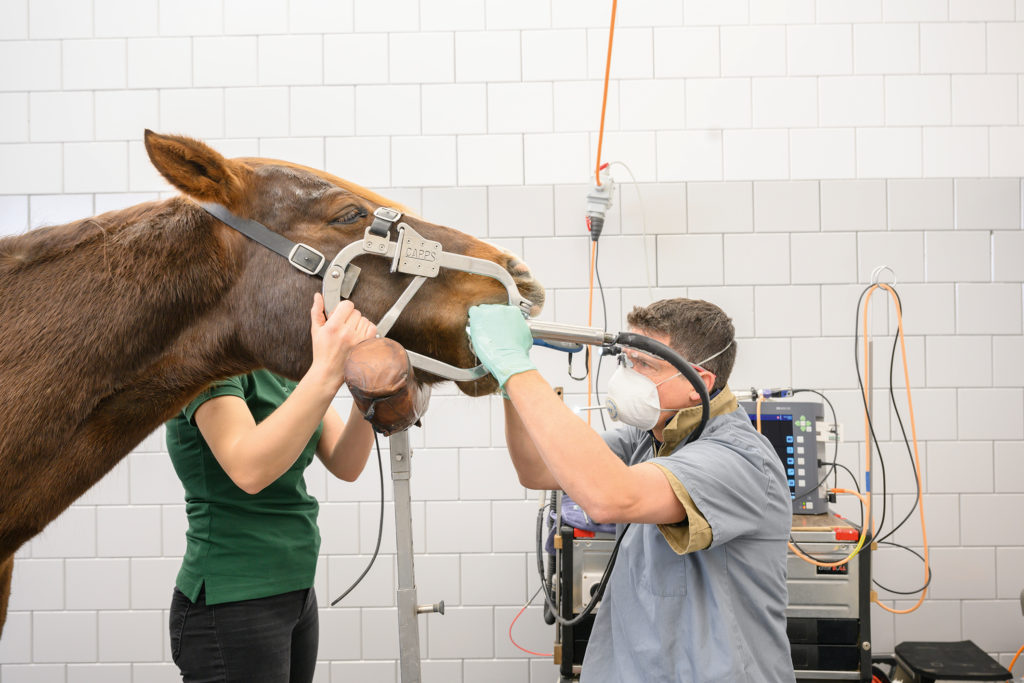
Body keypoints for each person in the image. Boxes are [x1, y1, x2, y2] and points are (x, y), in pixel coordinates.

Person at [468, 298, 795, 682]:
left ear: (699, 384)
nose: (628, 374)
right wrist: (507, 383)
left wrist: (517, 368)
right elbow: (535, 468)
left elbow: (608, 497)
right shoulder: (649, 438)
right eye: (626, 360)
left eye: (645, 365)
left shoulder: (739, 458)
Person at [165, 294, 377, 683]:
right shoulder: (207, 363)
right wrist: (328, 368)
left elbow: (347, 463)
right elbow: (249, 469)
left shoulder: (282, 370)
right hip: (233, 600)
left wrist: (371, 387)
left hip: (295, 591)